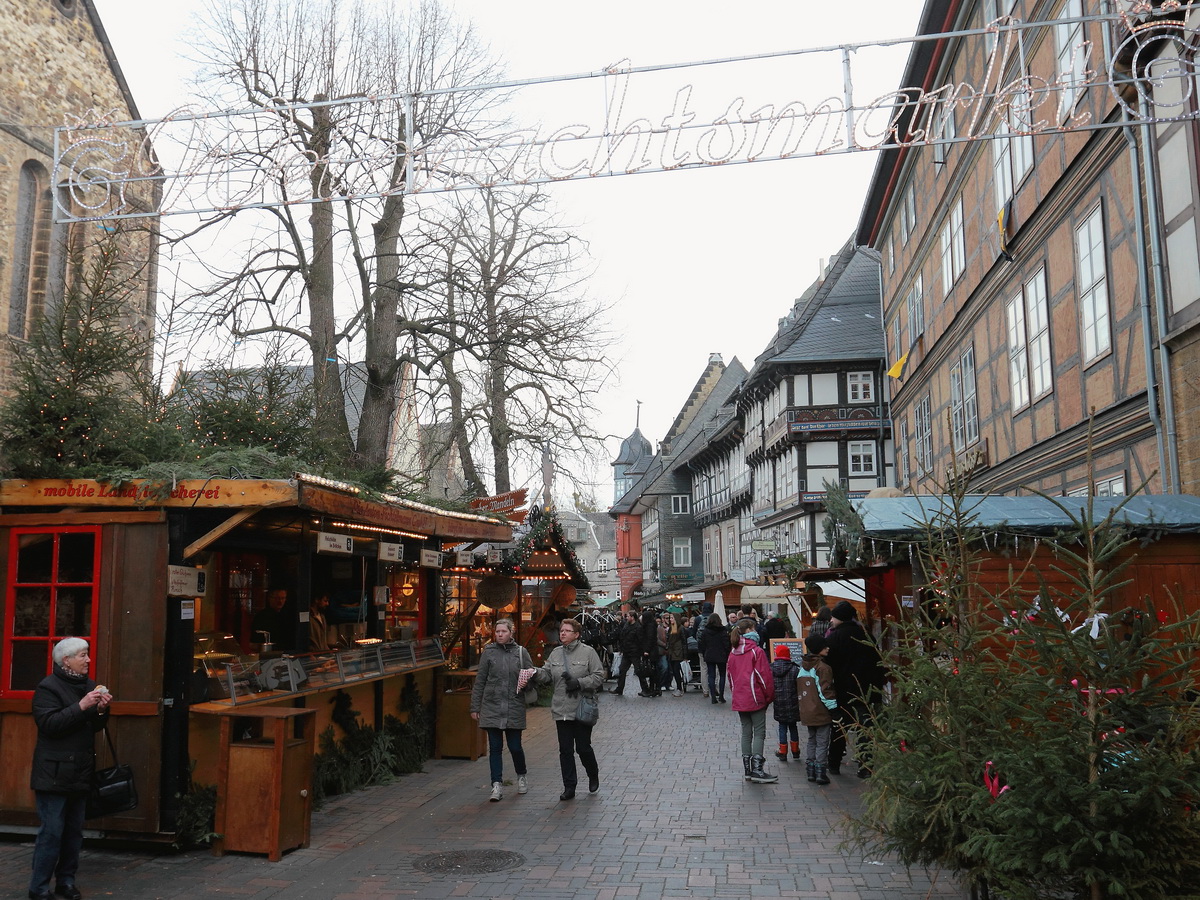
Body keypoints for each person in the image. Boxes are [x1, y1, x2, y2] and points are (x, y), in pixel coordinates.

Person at [28, 637, 112, 900]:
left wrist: (100, 710)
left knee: (74, 833)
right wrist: (82, 706)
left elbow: (94, 727)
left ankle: (66, 882)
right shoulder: (48, 687)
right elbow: (49, 724)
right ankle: (38, 889)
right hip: (53, 774)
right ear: (67, 660)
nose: (88, 660)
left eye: (87, 655)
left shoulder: (87, 685)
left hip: (80, 771)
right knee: (51, 833)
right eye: (83, 655)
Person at [533, 618, 605, 800]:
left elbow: (599, 676)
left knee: (583, 747)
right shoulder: (556, 653)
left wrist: (579, 683)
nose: (562, 633)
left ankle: (592, 774)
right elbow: (547, 674)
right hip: (561, 709)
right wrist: (534, 672)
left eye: (566, 630)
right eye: (561, 630)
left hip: (581, 709)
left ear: (576, 635)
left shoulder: (588, 653)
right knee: (565, 750)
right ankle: (569, 786)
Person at [470, 618, 533, 802]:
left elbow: (531, 675)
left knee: (515, 747)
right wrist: (475, 706)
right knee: (495, 748)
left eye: (503, 632)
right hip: (492, 706)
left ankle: (521, 776)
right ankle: (496, 784)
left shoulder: (521, 653)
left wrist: (528, 680)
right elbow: (480, 680)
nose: (499, 635)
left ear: (511, 633)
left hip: (514, 706)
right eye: (497, 632)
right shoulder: (488, 652)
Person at [824, 600, 886, 778]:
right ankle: (865, 765)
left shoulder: (833, 638)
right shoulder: (866, 634)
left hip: (843, 690)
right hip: (866, 690)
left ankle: (834, 763)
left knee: (839, 728)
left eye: (834, 617)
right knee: (864, 728)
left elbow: (828, 665)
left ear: (839, 618)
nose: (831, 620)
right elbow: (877, 661)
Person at [726, 618, 777, 784]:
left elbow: (730, 676)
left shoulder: (733, 652)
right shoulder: (756, 651)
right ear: (750, 630)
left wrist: (736, 694)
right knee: (759, 732)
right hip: (755, 697)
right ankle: (757, 770)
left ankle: (748, 770)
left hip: (740, 697)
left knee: (746, 732)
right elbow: (764, 678)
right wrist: (769, 697)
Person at [797, 633, 838, 785]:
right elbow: (825, 691)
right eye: (824, 646)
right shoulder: (823, 668)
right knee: (822, 742)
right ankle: (821, 771)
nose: (828, 648)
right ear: (819, 648)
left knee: (811, 740)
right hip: (821, 711)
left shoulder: (803, 666)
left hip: (807, 711)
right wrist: (834, 709)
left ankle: (811, 770)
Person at [770, 644, 801, 763]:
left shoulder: (771, 668)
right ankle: (795, 750)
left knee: (782, 726)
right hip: (792, 703)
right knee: (793, 726)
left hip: (779, 703)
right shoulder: (795, 669)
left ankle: (783, 751)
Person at [697, 612, 731, 703]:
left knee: (711, 675)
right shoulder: (723, 631)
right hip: (721, 655)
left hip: (709, 655)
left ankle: (713, 697)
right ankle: (721, 696)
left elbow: (702, 644)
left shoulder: (705, 631)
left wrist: (704, 653)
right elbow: (726, 644)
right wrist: (727, 653)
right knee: (722, 675)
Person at [611, 610, 641, 696]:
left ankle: (645, 688)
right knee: (622, 670)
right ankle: (619, 689)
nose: (626, 618)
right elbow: (622, 637)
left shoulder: (638, 627)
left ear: (633, 617)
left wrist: (639, 650)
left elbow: (640, 640)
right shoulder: (626, 625)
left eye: (628, 616)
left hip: (634, 652)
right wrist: (621, 648)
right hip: (626, 652)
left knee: (639, 671)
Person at [636, 608, 661, 698]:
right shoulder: (652, 625)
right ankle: (655, 688)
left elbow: (650, 639)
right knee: (653, 670)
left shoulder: (649, 626)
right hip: (653, 650)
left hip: (651, 651)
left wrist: (646, 650)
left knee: (652, 670)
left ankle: (653, 689)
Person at [662, 613, 688, 696]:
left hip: (678, 652)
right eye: (670, 618)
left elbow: (684, 642)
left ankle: (679, 688)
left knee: (677, 671)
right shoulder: (670, 629)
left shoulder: (681, 629)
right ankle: (679, 687)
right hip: (672, 653)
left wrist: (685, 655)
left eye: (672, 618)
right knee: (674, 671)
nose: (670, 619)